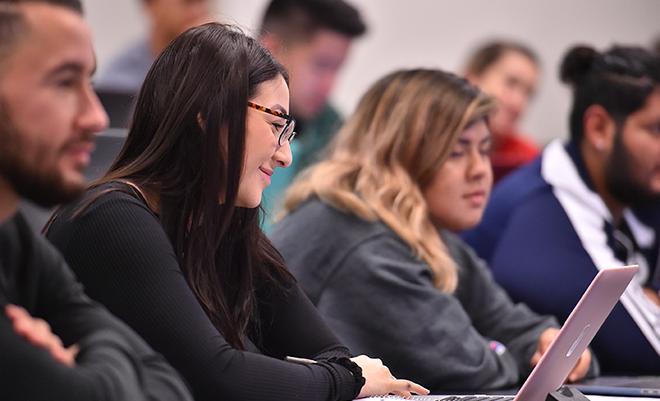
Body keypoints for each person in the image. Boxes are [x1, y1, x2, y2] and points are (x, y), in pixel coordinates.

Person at [45, 22, 427, 401]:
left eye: (289, 132)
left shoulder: (226, 227)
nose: (285, 154)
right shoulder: (112, 219)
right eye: (276, 124)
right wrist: (347, 380)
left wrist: (332, 376)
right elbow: (220, 377)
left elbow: (330, 354)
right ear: (207, 115)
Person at [271, 69, 595, 393]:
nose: (479, 171)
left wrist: (549, 344)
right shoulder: (362, 238)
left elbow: (508, 322)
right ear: (397, 154)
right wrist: (526, 356)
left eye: (483, 149)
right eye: (456, 152)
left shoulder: (420, 232)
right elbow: (470, 368)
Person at [0, 1, 193, 400]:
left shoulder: (12, 235)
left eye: (89, 80)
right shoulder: (113, 213)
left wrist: (86, 363)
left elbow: (170, 387)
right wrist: (95, 366)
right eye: (64, 82)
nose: (97, 118)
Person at [463, 45, 660, 373]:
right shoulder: (543, 213)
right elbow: (647, 349)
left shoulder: (637, 187)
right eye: (656, 130)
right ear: (598, 128)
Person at [258, 0, 366, 228]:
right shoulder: (212, 115)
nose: (330, 85)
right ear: (271, 49)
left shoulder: (337, 133)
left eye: (338, 68)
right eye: (321, 65)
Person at [464, 40, 541, 182]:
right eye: (511, 83)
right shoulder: (430, 146)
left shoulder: (530, 160)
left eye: (528, 93)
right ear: (471, 79)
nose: (518, 103)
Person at [94, 0, 212, 92]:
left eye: (203, 2)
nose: (199, 12)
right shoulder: (118, 80)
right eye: (188, 2)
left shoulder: (217, 62)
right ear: (151, 5)